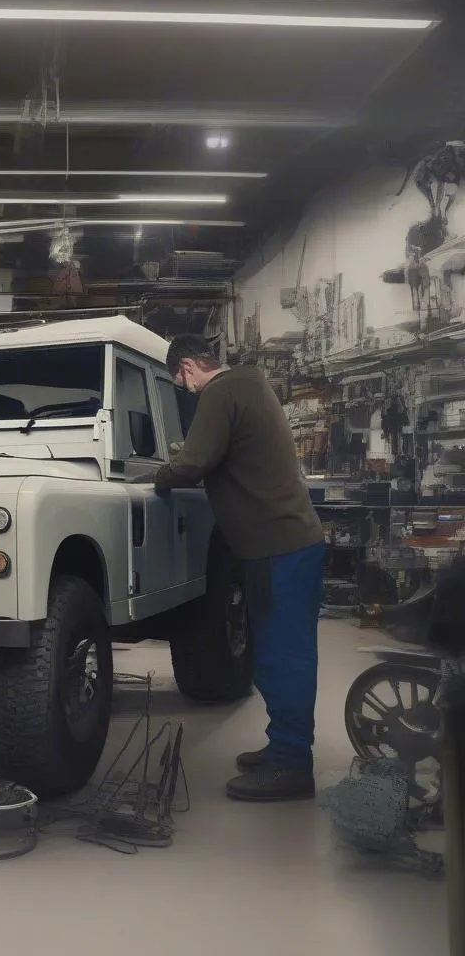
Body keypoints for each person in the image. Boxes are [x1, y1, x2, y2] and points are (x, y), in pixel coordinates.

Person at [154, 336, 325, 802]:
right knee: (279, 651)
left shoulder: (220, 392)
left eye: (179, 380)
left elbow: (193, 462)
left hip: (278, 545)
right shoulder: (251, 383)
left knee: (280, 656)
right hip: (288, 542)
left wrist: (157, 475)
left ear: (189, 366)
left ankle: (291, 766)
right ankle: (283, 748)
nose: (185, 390)